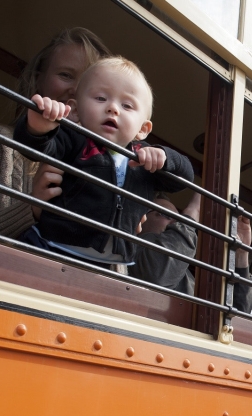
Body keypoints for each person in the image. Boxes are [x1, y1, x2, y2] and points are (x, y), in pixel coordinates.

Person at [13, 56, 194, 266]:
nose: (113, 109)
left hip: (111, 262)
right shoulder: (73, 138)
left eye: (127, 105)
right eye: (100, 98)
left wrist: (165, 157)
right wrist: (38, 127)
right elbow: (36, 149)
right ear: (75, 110)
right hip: (51, 246)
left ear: (143, 129)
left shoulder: (143, 157)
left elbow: (184, 179)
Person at [0, 28, 112, 237]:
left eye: (88, 83)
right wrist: (31, 209)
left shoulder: (109, 169)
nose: (76, 89)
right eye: (66, 75)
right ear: (39, 79)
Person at [128, 193, 252, 314]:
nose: (175, 223)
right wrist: (193, 211)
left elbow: (237, 313)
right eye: (166, 214)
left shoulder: (185, 273)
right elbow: (158, 275)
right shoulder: (131, 251)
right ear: (142, 219)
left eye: (178, 219)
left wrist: (241, 254)